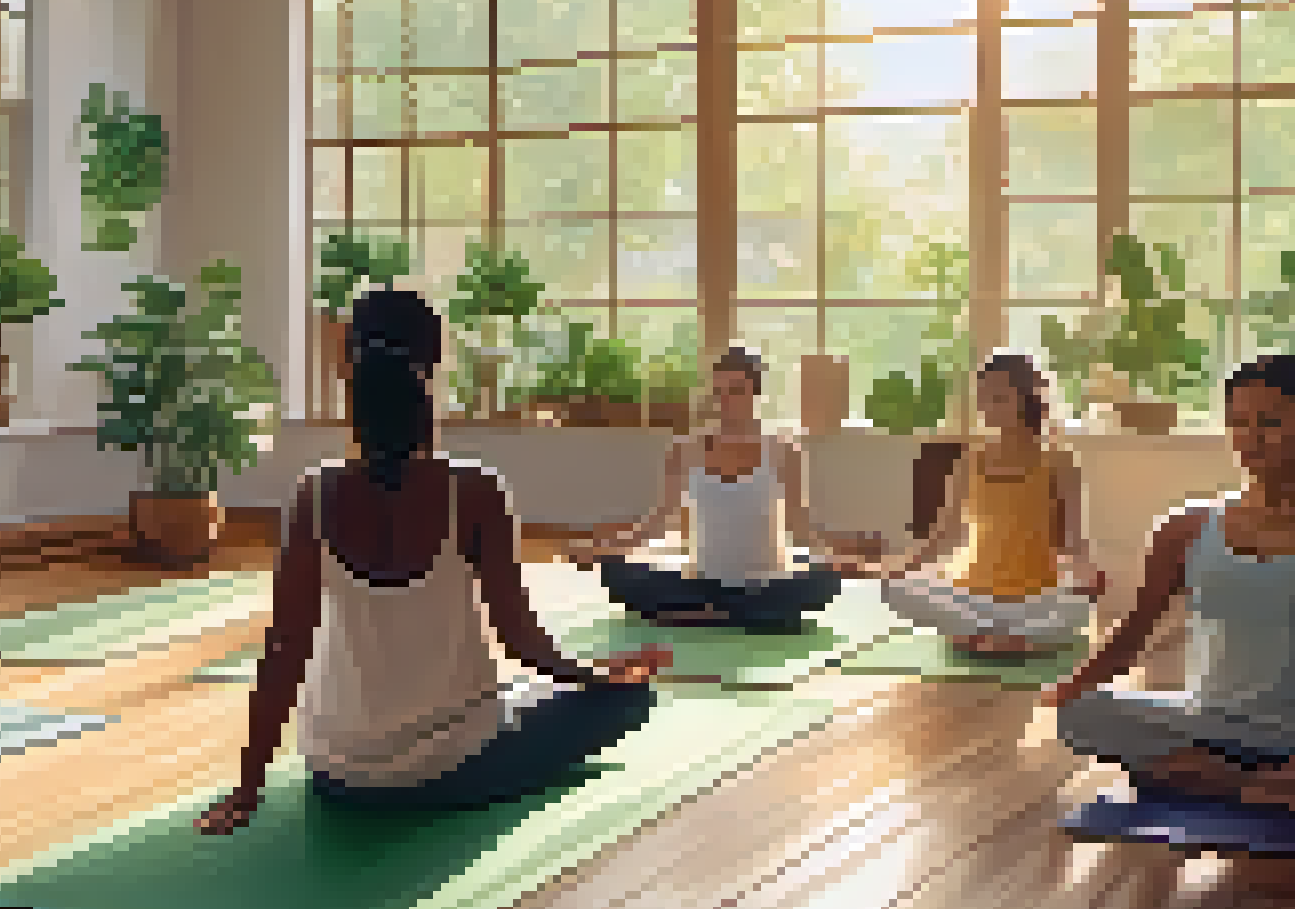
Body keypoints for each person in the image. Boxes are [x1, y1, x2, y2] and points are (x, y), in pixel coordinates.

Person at [197, 289, 671, 835]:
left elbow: (285, 648)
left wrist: (247, 791)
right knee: (631, 700)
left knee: (524, 695)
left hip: (339, 770)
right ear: (431, 373)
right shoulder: (477, 491)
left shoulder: (314, 494)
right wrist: (597, 675)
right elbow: (519, 639)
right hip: (452, 766)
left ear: (352, 375)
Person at [1045, 355, 1295, 823]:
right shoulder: (1184, 527)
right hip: (1207, 721)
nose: (1251, 439)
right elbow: (1132, 634)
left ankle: (1201, 776)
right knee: (1079, 715)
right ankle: (1261, 787)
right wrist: (1074, 685)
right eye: (1239, 423)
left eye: (1269, 423)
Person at [572, 346, 884, 629]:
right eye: (719, 391)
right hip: (701, 584)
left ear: (755, 393)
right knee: (616, 572)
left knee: (825, 580)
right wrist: (604, 547)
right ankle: (737, 614)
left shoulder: (783, 450)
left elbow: (801, 524)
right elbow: (657, 521)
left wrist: (841, 554)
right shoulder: (684, 449)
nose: (725, 400)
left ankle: (709, 614)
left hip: (767, 585)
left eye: (735, 391)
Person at [850, 352, 1105, 656]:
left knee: (1078, 609)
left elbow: (1075, 541)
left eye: (998, 398)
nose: (987, 408)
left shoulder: (1060, 461)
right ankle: (1006, 639)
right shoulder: (970, 460)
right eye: (983, 399)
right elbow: (944, 535)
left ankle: (985, 637)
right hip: (971, 597)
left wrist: (1086, 570)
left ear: (1027, 398)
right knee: (895, 588)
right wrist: (895, 567)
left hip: (1034, 599)